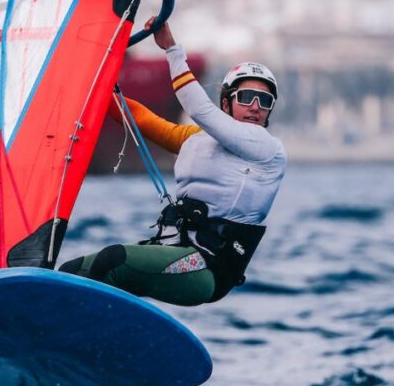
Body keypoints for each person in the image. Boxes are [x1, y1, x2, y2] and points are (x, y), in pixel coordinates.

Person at [59, 18, 287, 306]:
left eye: (264, 101)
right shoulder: (198, 139)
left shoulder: (267, 148)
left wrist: (171, 49)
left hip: (206, 268)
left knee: (113, 261)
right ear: (227, 103)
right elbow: (142, 119)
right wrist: (89, 86)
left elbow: (198, 107)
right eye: (247, 97)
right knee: (72, 271)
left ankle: (86, 338)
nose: (256, 106)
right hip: (174, 250)